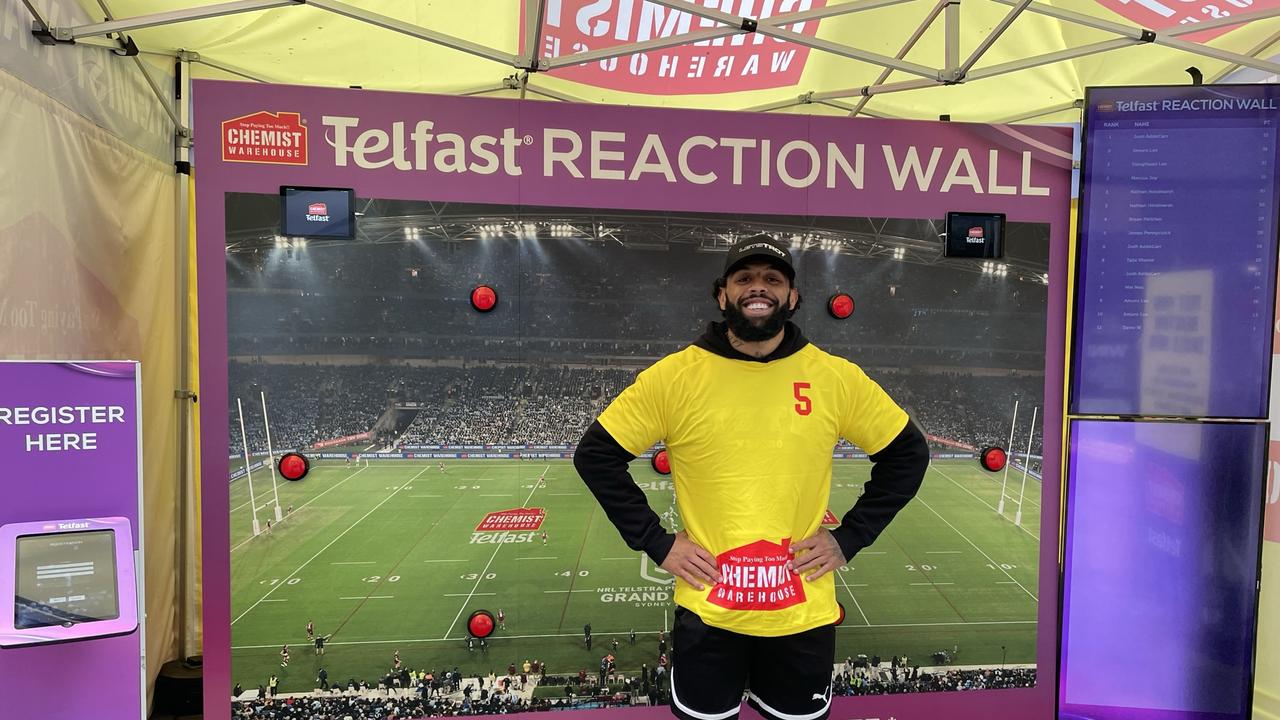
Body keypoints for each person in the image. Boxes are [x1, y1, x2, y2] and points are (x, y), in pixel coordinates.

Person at [573, 235, 929, 720]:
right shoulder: (675, 377)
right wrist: (656, 542)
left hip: (801, 613)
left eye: (772, 279)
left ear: (793, 297)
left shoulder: (835, 377)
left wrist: (850, 538)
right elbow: (596, 455)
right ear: (722, 294)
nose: (757, 288)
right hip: (709, 611)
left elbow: (907, 453)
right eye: (744, 278)